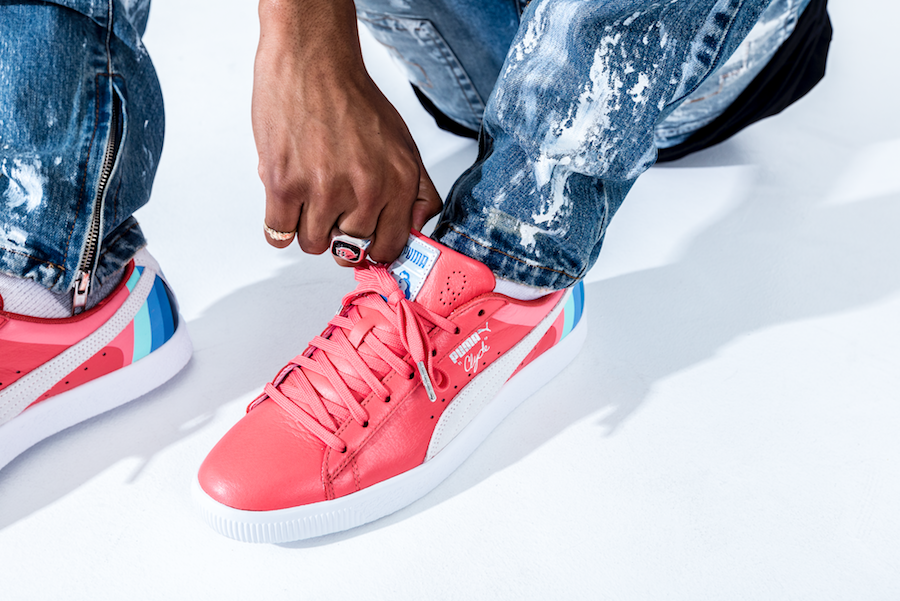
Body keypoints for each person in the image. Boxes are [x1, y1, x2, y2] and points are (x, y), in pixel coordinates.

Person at [0, 0, 830, 541]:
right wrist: (304, 40)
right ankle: (42, 269)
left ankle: (511, 273)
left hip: (685, 53)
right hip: (473, 43)